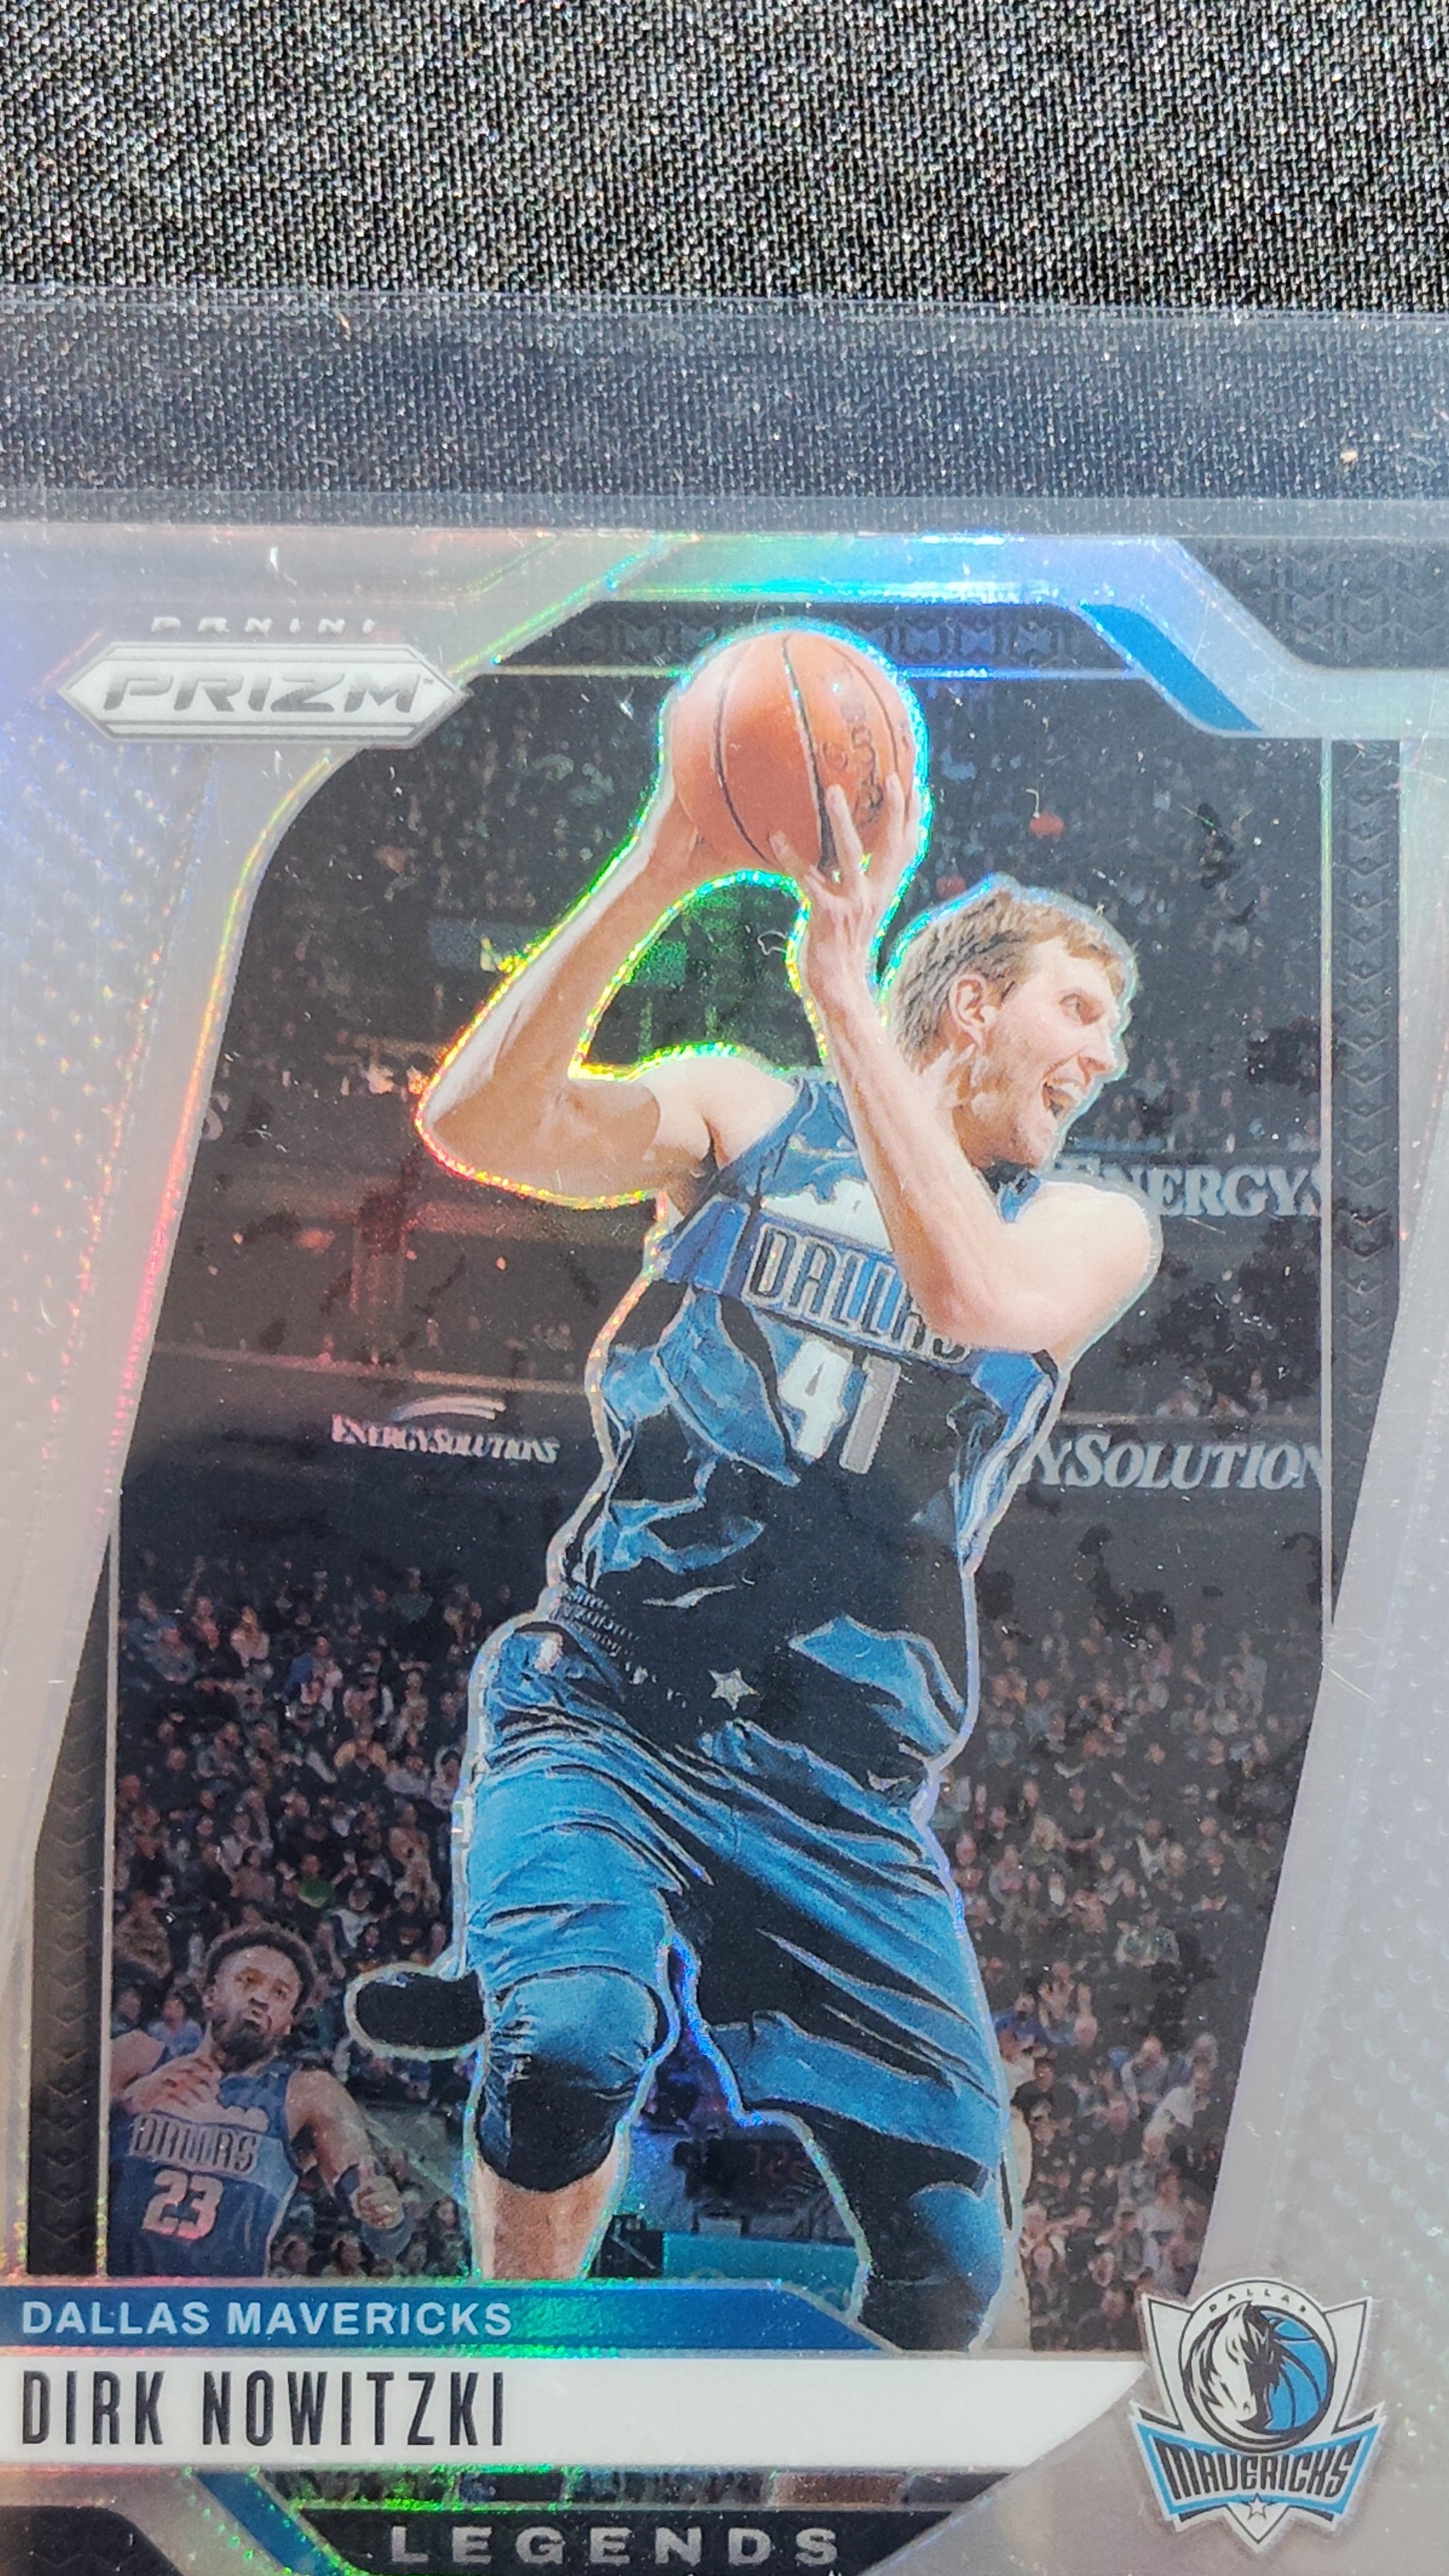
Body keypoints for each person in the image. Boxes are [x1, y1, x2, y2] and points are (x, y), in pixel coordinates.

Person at [352, 732, 1157, 2351]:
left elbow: (973, 1300)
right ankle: (516, 2411)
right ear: (975, 1004)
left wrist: (844, 1000)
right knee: (565, 2053)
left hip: (838, 1785)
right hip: (614, 1703)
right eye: (1080, 1009)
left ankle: (827, 2509)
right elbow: (478, 1121)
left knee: (952, 2264)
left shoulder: (1089, 1225)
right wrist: (659, 860)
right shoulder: (749, 1110)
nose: (1105, 1055)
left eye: (1114, 1030)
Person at [107, 1927, 407, 2278]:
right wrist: (123, 2107)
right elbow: (56, 2143)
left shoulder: (307, 2094)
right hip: (114, 2296)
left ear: (288, 2023)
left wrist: (386, 2216)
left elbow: (373, 2207)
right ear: (210, 1995)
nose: (261, 1999)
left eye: (280, 1993)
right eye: (248, 1981)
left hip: (227, 2306)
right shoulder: (137, 2056)